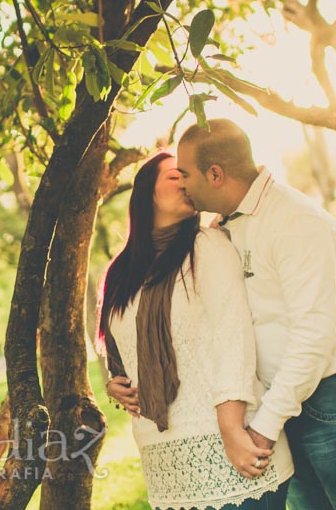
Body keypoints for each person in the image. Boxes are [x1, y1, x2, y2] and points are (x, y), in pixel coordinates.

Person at [176, 118, 336, 510]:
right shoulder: (224, 227)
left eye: (185, 174)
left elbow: (314, 335)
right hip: (283, 403)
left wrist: (265, 426)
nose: (182, 184)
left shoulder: (296, 220)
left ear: (215, 174)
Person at [99, 151, 293, 510]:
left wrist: (231, 430)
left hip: (227, 445)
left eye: (189, 176)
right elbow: (116, 351)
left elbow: (233, 337)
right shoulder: (120, 273)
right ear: (147, 192)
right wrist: (116, 384)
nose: (187, 183)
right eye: (176, 176)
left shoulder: (207, 247)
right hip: (164, 459)